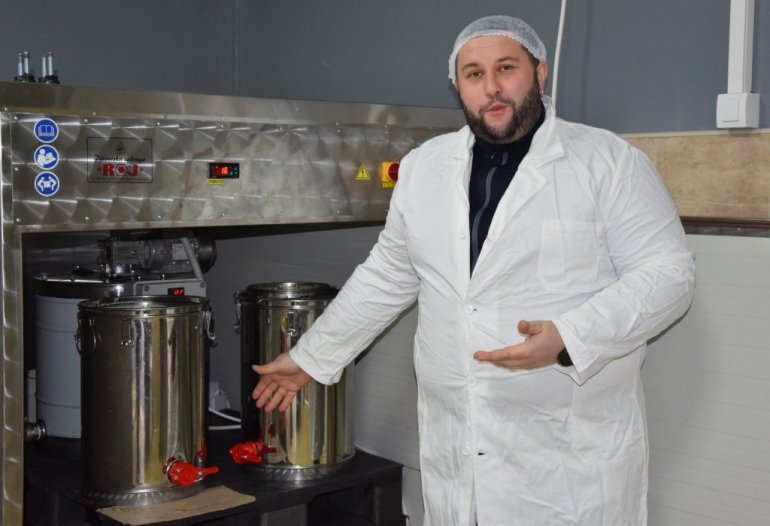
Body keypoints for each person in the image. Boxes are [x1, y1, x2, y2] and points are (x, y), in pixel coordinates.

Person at [252, 15, 695, 526]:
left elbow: (669, 276)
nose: (492, 88)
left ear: (539, 73)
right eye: (474, 74)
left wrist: (570, 337)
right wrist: (313, 356)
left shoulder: (609, 163)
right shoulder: (425, 167)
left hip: (565, 458)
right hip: (458, 449)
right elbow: (389, 274)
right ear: (457, 86)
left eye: (506, 68)